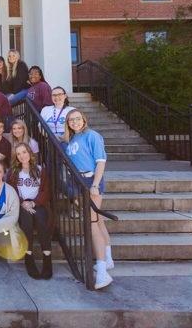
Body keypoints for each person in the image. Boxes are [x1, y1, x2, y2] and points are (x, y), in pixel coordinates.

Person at [63, 109, 114, 290]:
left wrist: (95, 184)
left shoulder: (92, 135)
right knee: (97, 220)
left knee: (91, 222)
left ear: (84, 119)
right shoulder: (72, 139)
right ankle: (108, 258)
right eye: (71, 120)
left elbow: (101, 161)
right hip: (77, 182)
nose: (75, 122)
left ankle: (101, 271)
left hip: (90, 180)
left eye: (77, 119)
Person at [8, 143, 52, 279]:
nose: (22, 156)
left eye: (24, 152)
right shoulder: (14, 172)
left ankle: (47, 258)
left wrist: (34, 203)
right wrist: (23, 203)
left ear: (30, 153)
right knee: (26, 220)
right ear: (16, 157)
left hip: (38, 203)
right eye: (19, 154)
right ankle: (28, 256)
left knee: (40, 218)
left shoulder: (40, 170)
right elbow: (11, 191)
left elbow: (46, 191)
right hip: (21, 205)